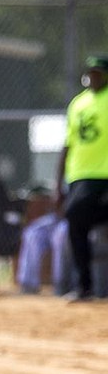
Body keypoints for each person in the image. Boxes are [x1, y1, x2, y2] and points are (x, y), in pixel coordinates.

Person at [55, 53, 108, 302]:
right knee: (75, 219)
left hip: (104, 176)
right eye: (92, 73)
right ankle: (84, 287)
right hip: (81, 177)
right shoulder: (77, 103)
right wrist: (58, 183)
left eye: (99, 73)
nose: (94, 77)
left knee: (77, 215)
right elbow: (67, 144)